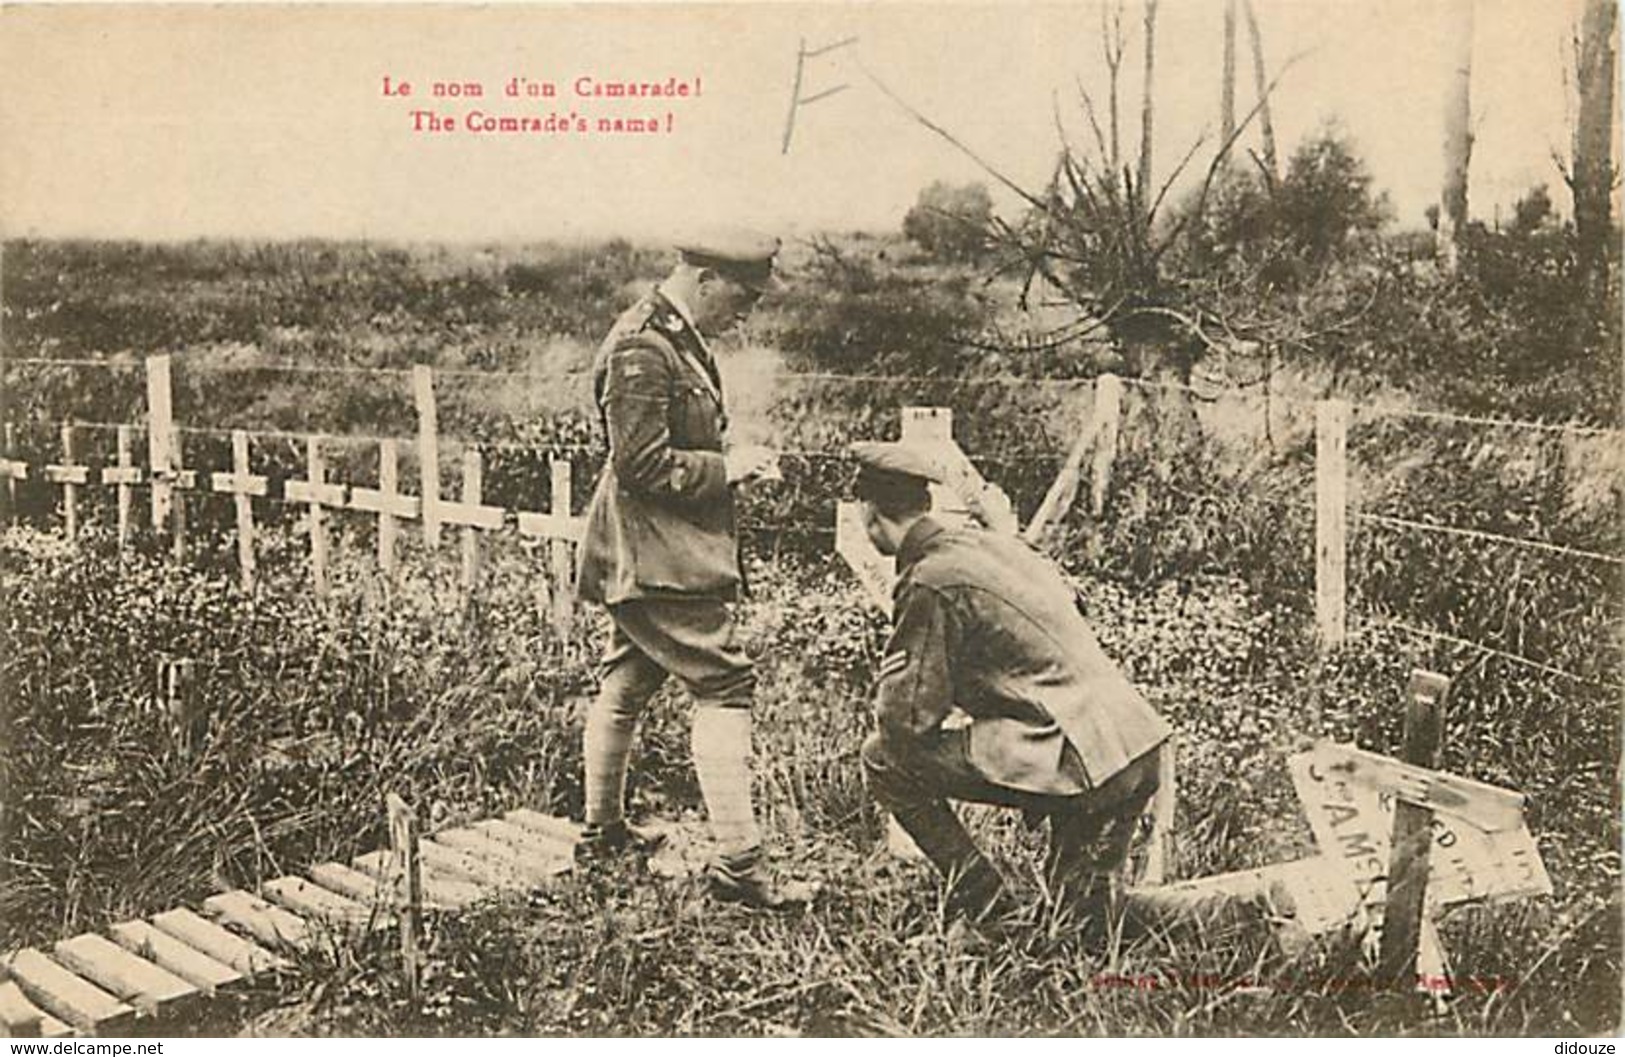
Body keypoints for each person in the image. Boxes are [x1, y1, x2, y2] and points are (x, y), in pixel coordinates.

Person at [574, 229, 815, 909]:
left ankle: (603, 835)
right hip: (658, 553)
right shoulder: (642, 348)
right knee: (725, 681)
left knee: (630, 673)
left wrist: (730, 452)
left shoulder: (675, 335)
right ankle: (740, 865)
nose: (748, 311)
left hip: (656, 544)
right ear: (707, 277)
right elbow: (641, 464)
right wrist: (726, 468)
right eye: (743, 296)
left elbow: (677, 438)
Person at [850, 440, 1172, 929]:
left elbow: (905, 722)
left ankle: (987, 907)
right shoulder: (988, 544)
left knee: (884, 758)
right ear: (925, 503)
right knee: (1082, 926)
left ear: (869, 513)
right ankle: (1257, 907)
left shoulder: (930, 580)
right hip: (1132, 748)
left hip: (1077, 760)